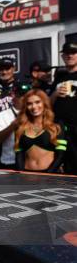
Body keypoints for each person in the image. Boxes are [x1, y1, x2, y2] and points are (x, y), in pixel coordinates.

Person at [15, 89, 66, 172]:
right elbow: (19, 154)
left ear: (44, 103)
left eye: (37, 102)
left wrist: (49, 174)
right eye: (29, 104)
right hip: (27, 175)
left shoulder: (56, 125)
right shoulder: (20, 127)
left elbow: (60, 155)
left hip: (50, 175)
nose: (34, 107)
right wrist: (21, 173)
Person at [51, 41, 77, 173]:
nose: (70, 56)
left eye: (73, 53)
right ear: (62, 56)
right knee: (63, 167)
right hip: (60, 129)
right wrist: (55, 93)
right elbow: (48, 103)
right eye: (67, 53)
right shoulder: (59, 77)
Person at [0, 82, 31, 169]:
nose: (25, 98)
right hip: (10, 162)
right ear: (13, 95)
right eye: (21, 95)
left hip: (31, 163)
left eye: (28, 95)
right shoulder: (2, 116)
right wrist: (13, 126)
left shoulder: (35, 113)